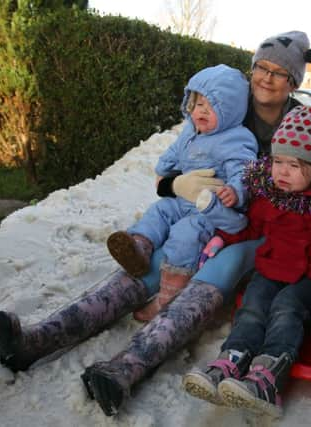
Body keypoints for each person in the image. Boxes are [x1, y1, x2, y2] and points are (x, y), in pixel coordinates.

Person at [0, 31, 311, 416]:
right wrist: (178, 184)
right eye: (262, 67)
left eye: (280, 72)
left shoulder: (301, 121)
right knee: (151, 262)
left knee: (217, 267)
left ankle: (127, 368)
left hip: (259, 228)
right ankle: (37, 340)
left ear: (294, 80)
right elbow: (169, 173)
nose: (266, 77)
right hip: (200, 212)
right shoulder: (226, 102)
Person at [181, 105, 311, 418]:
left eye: (294, 165)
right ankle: (231, 360)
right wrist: (222, 237)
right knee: (253, 305)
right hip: (272, 266)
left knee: (286, 308)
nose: (282, 172)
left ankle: (268, 377)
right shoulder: (269, 195)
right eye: (278, 161)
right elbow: (250, 225)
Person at [106, 64, 257, 322]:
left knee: (185, 235)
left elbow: (244, 170)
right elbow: (174, 154)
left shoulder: (236, 138)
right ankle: (140, 246)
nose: (201, 111)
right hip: (182, 198)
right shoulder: (189, 131)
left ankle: (166, 298)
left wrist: (236, 191)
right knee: (159, 211)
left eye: (211, 106)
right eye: (197, 104)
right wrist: (164, 169)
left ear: (230, 111)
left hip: (206, 207)